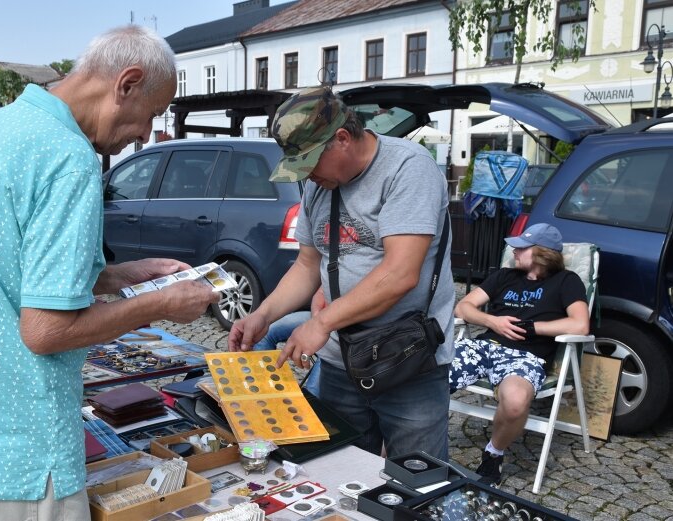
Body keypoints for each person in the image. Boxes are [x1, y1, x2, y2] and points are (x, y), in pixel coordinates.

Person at [0, 26, 219, 520]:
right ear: (126, 84)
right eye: (150, 115)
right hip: (22, 454)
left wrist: (115, 276)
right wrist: (162, 304)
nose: (145, 136)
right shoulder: (67, 156)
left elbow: (6, 263)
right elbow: (46, 330)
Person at [228, 86, 454, 461]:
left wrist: (320, 324)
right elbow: (306, 265)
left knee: (418, 488)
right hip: (340, 361)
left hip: (408, 360)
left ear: (343, 139)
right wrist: (263, 316)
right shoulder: (321, 185)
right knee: (336, 472)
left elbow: (400, 274)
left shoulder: (407, 168)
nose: (309, 177)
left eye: (311, 163)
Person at [449, 223, 589, 485]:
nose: (514, 250)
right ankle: (411, 444)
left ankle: (493, 453)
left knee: (514, 403)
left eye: (522, 247)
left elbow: (580, 324)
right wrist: (493, 322)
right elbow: (463, 307)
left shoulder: (566, 282)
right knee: (428, 372)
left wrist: (534, 328)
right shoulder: (505, 276)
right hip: (483, 348)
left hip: (525, 357)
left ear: (542, 253)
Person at [252, 288, 327, 397]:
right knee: (266, 333)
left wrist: (319, 326)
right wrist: (315, 320)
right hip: (316, 317)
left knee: (312, 394)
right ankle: (265, 386)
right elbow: (321, 291)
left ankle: (308, 402)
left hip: (342, 333)